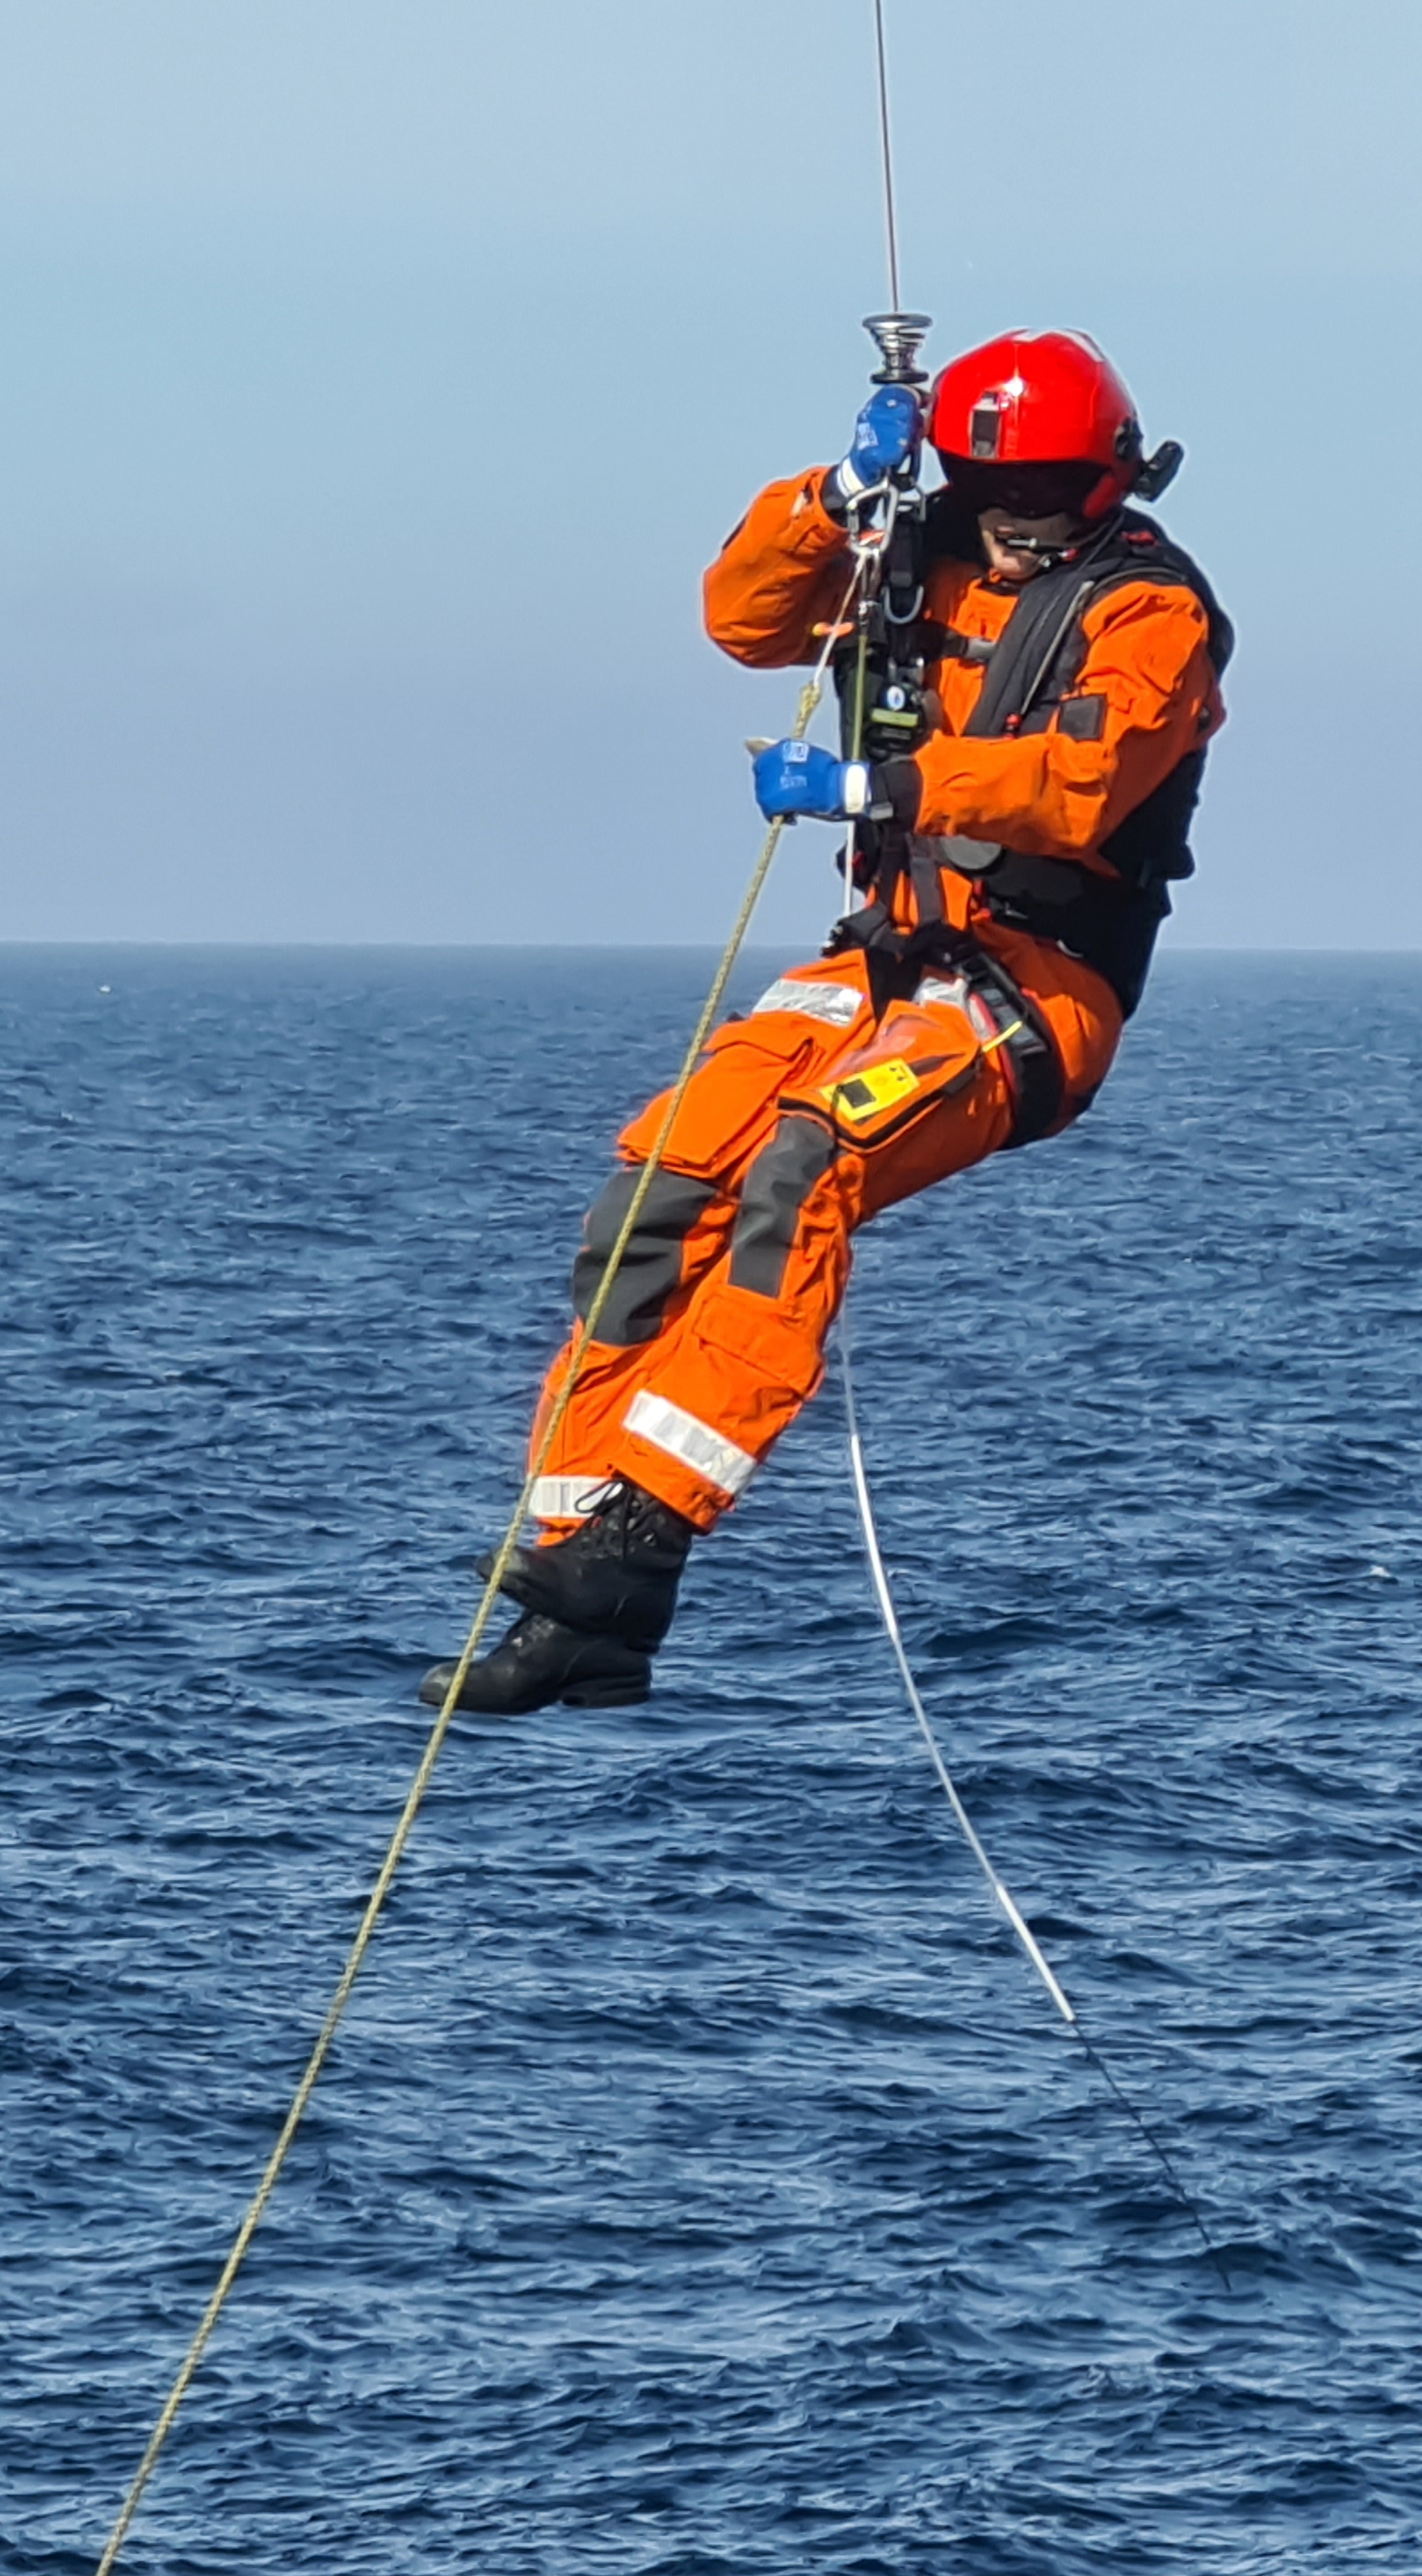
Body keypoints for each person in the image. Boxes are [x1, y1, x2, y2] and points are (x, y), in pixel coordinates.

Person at [424, 328, 1232, 1712]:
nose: (1019, 518)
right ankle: (571, 1578)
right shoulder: (916, 553)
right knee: (661, 1181)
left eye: (1046, 490)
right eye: (998, 491)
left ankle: (642, 1542)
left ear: (1105, 482)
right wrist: (830, 501)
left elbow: (1083, 780)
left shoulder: (1152, 614)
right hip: (885, 954)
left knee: (808, 1162)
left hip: (1035, 986)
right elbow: (743, 621)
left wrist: (884, 791)